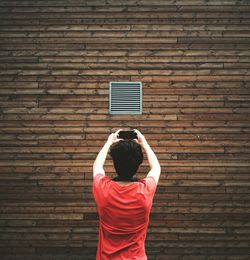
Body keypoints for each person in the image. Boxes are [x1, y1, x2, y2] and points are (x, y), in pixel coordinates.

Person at [92, 129, 161, 260]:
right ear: (138, 164)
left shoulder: (103, 188)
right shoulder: (145, 191)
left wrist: (108, 142)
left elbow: (97, 166)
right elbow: (156, 167)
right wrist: (144, 143)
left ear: (114, 163)